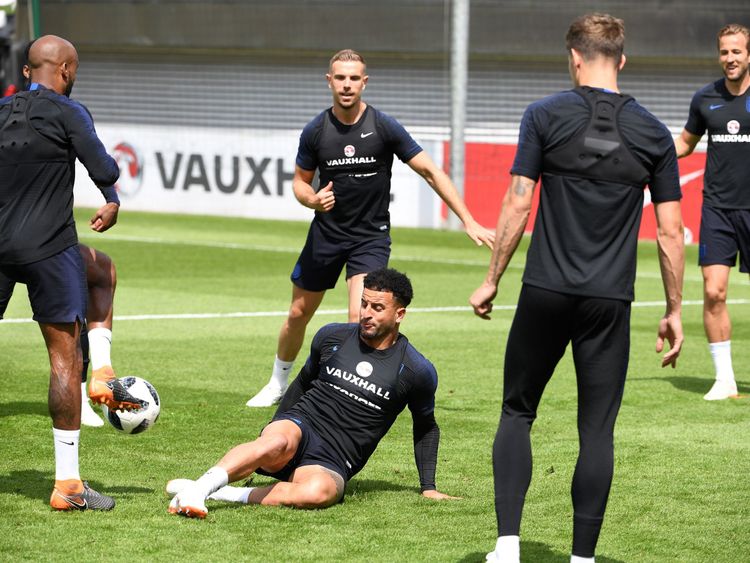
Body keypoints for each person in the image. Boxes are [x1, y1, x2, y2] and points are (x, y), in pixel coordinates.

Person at [469, 14, 685, 562]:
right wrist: (674, 311)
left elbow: (518, 201)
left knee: (518, 412)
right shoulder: (655, 134)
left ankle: (507, 547)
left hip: (544, 290)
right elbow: (669, 233)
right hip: (609, 302)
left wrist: (492, 279)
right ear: (622, 60)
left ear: (574, 57)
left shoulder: (543, 115)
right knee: (597, 431)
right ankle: (583, 558)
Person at [245, 49, 494, 407]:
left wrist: (467, 218)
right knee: (298, 313)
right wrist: (312, 200)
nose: (347, 85)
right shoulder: (316, 130)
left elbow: (431, 171)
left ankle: (351, 392)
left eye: (353, 78)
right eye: (340, 78)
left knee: (360, 315)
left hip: (369, 239)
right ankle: (277, 382)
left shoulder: (383, 126)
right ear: (330, 81)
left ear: (364, 82)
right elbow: (300, 183)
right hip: (326, 236)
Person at [169, 268, 458, 518]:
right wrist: (273, 426)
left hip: (335, 457)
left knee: (319, 493)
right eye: (364, 304)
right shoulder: (333, 336)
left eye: (377, 308)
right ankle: (199, 489)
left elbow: (426, 426)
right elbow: (303, 383)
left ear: (400, 314)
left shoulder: (416, 370)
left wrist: (428, 487)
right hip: (301, 425)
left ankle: (228, 494)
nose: (366, 313)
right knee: (275, 441)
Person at [0, 35, 133, 511]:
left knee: (101, 269)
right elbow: (104, 165)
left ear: (27, 72)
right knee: (62, 361)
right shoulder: (69, 111)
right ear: (68, 72)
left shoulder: (1, 110)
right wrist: (112, 199)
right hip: (47, 248)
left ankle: (103, 371)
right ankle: (69, 487)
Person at [674, 23, 750, 401]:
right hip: (718, 209)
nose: (729, 59)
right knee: (714, 291)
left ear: (749, 55)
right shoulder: (705, 99)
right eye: (724, 52)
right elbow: (684, 145)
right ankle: (724, 380)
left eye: (736, 51)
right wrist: (642, 155)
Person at [0, 244, 119, 427]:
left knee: (77, 304)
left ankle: (81, 396)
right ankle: (101, 376)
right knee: (99, 274)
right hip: (42, 242)